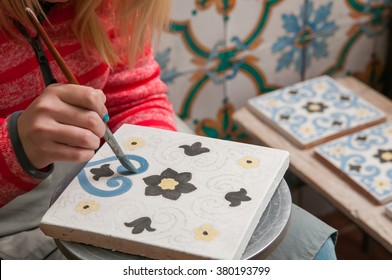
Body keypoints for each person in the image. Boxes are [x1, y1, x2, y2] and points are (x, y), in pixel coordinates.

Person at [0, 0, 337, 260]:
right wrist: (16, 146)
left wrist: (160, 182)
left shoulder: (107, 6)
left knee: (311, 251)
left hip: (101, 171)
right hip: (16, 214)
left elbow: (134, 99)